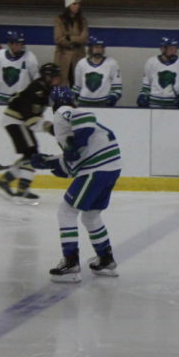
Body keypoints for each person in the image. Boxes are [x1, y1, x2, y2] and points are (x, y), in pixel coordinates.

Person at [31, 86, 122, 282]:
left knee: (66, 211)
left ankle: (71, 263)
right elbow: (71, 165)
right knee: (91, 215)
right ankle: (106, 261)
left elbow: (85, 119)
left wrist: (73, 146)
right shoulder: (69, 132)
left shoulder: (64, 112)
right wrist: (47, 162)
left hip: (96, 168)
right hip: (110, 167)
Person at [0, 62, 63, 203]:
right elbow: (31, 119)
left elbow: (32, 117)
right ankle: (22, 191)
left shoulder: (42, 89)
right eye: (55, 76)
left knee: (29, 155)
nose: (58, 79)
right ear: (48, 77)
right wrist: (49, 128)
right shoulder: (38, 91)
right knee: (32, 154)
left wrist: (49, 127)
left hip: (17, 121)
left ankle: (4, 183)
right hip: (16, 121)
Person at [137, 36, 179, 108]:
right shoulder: (151, 62)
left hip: (174, 105)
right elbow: (146, 83)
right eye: (171, 48)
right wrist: (143, 95)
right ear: (163, 49)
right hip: (154, 104)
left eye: (175, 48)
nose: (174, 51)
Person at [0, 31, 40, 104]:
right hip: (0, 99)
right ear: (9, 44)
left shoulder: (30, 58)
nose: (20, 47)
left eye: (21, 44)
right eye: (17, 44)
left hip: (21, 100)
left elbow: (36, 78)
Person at [73, 35, 122, 106]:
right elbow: (77, 87)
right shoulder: (81, 63)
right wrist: (75, 97)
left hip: (103, 103)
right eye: (96, 47)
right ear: (90, 48)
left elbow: (117, 89)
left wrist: (112, 99)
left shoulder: (112, 64)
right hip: (83, 103)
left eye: (101, 47)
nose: (99, 50)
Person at [53, 0, 88, 84]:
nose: (77, 6)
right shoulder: (59, 20)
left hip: (78, 56)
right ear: (68, 5)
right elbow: (59, 39)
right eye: (74, 4)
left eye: (78, 4)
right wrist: (76, 39)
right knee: (61, 83)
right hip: (63, 57)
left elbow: (83, 38)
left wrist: (69, 38)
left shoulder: (82, 21)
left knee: (77, 84)